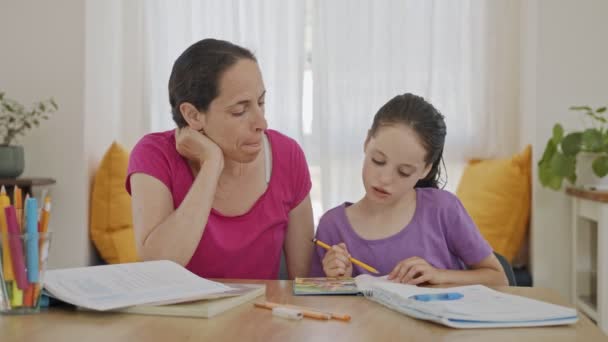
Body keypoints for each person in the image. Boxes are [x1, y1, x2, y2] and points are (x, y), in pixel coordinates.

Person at [127, 38, 313, 279]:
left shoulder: (288, 156)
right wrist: (211, 164)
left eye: (261, 102)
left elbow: (306, 283)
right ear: (193, 115)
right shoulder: (154, 155)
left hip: (261, 316)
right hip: (178, 317)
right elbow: (159, 268)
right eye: (240, 110)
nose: (261, 123)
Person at [310, 93, 507, 286]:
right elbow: (322, 308)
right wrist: (340, 282)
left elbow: (498, 278)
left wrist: (439, 275)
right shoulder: (332, 226)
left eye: (404, 172)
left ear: (426, 169)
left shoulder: (443, 209)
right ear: (367, 141)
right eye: (378, 161)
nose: (385, 179)